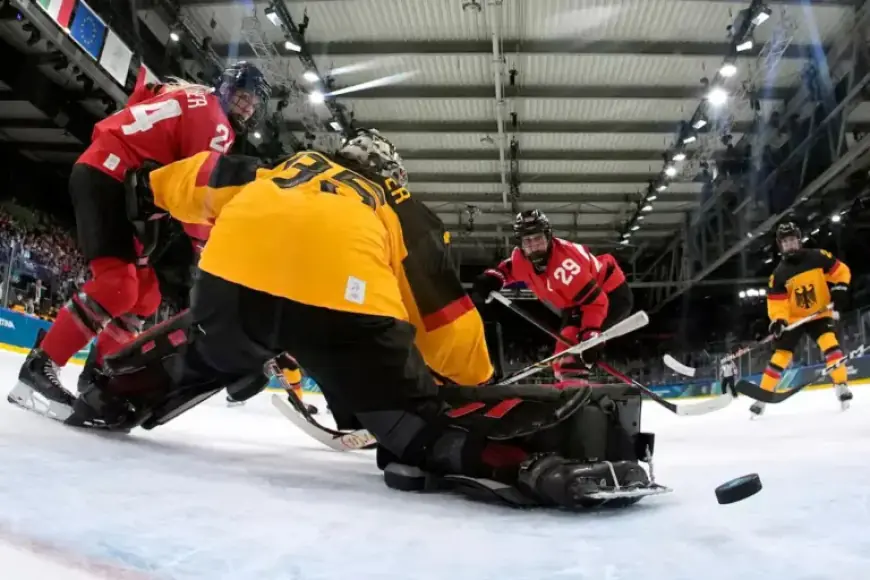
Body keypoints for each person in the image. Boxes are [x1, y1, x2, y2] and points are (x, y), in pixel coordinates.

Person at [44, 130, 660, 510]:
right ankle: (533, 466)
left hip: (236, 285)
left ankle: (111, 389)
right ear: (392, 178)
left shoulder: (278, 167)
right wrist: (463, 387)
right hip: (345, 306)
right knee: (417, 429)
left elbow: (185, 180)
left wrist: (141, 206)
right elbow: (448, 325)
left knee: (200, 351)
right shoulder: (401, 209)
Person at [13, 62, 270, 408]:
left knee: (145, 295)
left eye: (252, 102)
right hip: (111, 175)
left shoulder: (193, 97)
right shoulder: (216, 123)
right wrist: (207, 250)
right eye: (242, 97)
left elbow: (143, 95)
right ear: (225, 90)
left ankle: (99, 376)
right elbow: (196, 192)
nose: (247, 107)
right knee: (117, 285)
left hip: (116, 175)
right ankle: (40, 367)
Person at [471, 209, 632, 385]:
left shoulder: (565, 265)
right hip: (576, 302)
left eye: (538, 238)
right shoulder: (523, 259)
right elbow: (508, 269)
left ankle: (575, 391)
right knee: (562, 355)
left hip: (610, 294)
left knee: (572, 354)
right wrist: (493, 277)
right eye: (527, 240)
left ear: (548, 236)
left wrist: (590, 336)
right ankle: (566, 387)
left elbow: (596, 302)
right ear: (521, 243)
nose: (533, 245)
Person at [750, 222, 853, 417]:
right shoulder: (778, 275)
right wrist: (779, 321)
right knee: (780, 356)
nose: (789, 244)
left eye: (792, 240)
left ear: (799, 240)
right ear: (781, 246)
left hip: (819, 313)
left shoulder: (818, 257)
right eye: (785, 242)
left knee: (830, 344)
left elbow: (841, 271)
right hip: (794, 319)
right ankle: (762, 397)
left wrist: (840, 288)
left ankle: (841, 385)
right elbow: (777, 304)